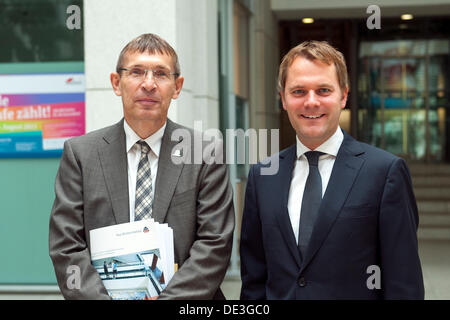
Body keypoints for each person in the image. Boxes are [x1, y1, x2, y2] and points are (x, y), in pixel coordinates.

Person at [49, 33, 235, 300]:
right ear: (116, 83)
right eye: (136, 72)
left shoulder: (204, 153)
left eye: (161, 74)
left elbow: (215, 245)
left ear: (177, 86)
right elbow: (66, 247)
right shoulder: (80, 154)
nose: (148, 84)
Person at [239, 40, 424, 299]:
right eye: (299, 91)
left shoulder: (384, 172)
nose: (311, 102)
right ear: (283, 99)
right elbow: (254, 281)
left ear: (344, 96)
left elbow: (403, 284)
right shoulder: (263, 175)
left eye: (324, 90)